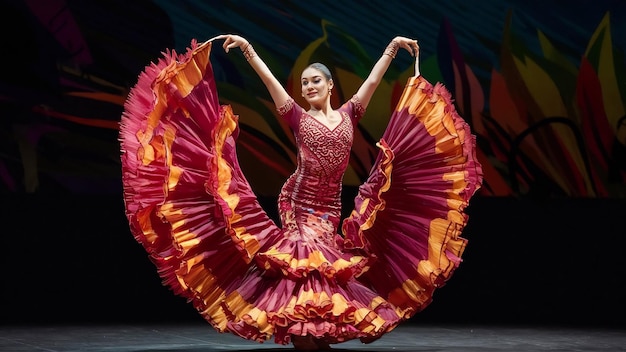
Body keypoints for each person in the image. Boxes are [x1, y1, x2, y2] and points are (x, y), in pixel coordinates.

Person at [119, 33, 482, 351]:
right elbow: (271, 82)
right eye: (304, 83)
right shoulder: (297, 116)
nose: (308, 87)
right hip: (299, 202)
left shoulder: (349, 114)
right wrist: (247, 50)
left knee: (324, 269)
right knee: (304, 258)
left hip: (329, 207)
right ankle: (301, 328)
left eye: (314, 82)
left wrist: (390, 49)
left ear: (328, 86)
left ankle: (315, 329)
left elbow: (371, 83)